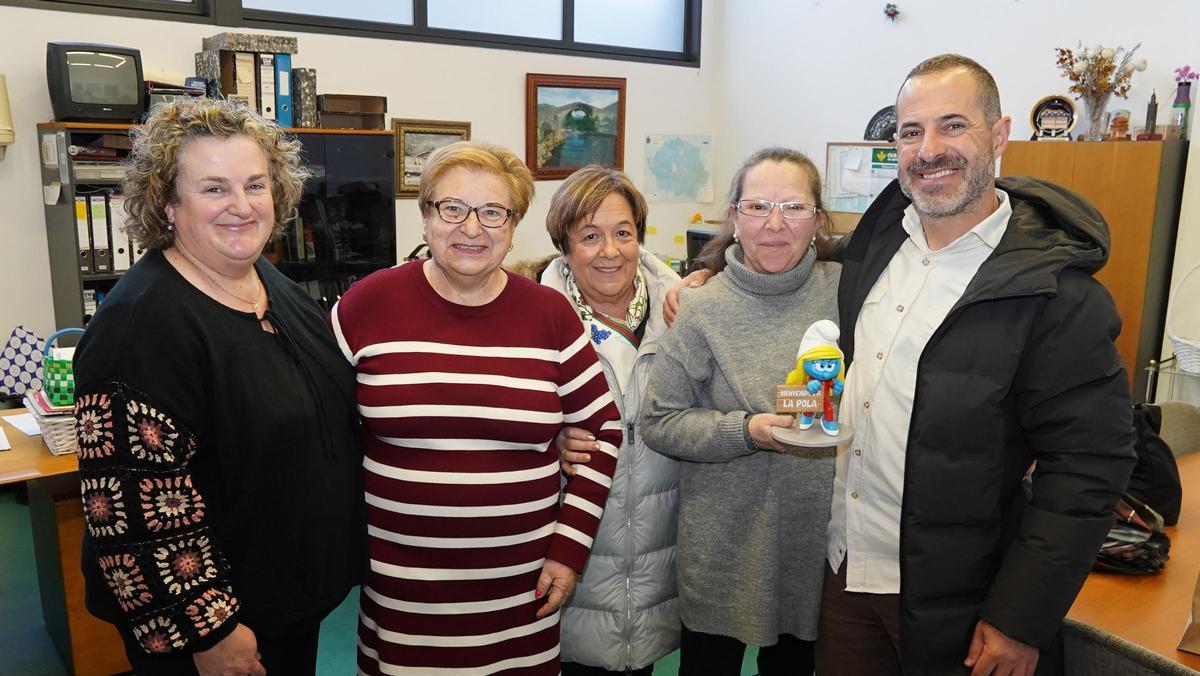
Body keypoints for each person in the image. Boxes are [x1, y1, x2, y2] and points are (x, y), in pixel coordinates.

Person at [668, 54, 1137, 675]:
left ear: (999, 136)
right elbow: (783, 251)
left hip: (958, 597)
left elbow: (1087, 468)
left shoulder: (1056, 292)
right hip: (843, 577)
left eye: (953, 126)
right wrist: (707, 273)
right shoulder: (876, 245)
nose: (929, 149)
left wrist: (1022, 616)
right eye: (911, 132)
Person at [72, 98, 365, 675]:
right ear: (168, 204)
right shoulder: (141, 326)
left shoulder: (267, 282)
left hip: (287, 605)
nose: (241, 206)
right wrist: (209, 631)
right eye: (213, 189)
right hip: (217, 632)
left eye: (255, 184)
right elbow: (131, 508)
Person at [332, 141, 623, 675]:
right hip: (402, 594)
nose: (472, 228)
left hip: (522, 590)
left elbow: (605, 429)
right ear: (424, 216)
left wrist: (569, 548)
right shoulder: (364, 307)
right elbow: (324, 430)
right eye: (452, 208)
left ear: (514, 226)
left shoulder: (549, 314)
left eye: (493, 212)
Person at [639, 147, 840, 675]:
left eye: (794, 208)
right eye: (756, 207)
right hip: (723, 547)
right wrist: (745, 431)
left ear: (818, 220)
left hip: (814, 550)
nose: (775, 224)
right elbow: (659, 420)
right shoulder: (702, 306)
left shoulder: (848, 290)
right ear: (733, 216)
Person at [540, 165, 682, 676]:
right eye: (590, 236)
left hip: (655, 545)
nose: (610, 251)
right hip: (571, 547)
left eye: (623, 233)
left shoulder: (683, 311)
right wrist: (547, 435)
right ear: (564, 246)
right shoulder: (531, 319)